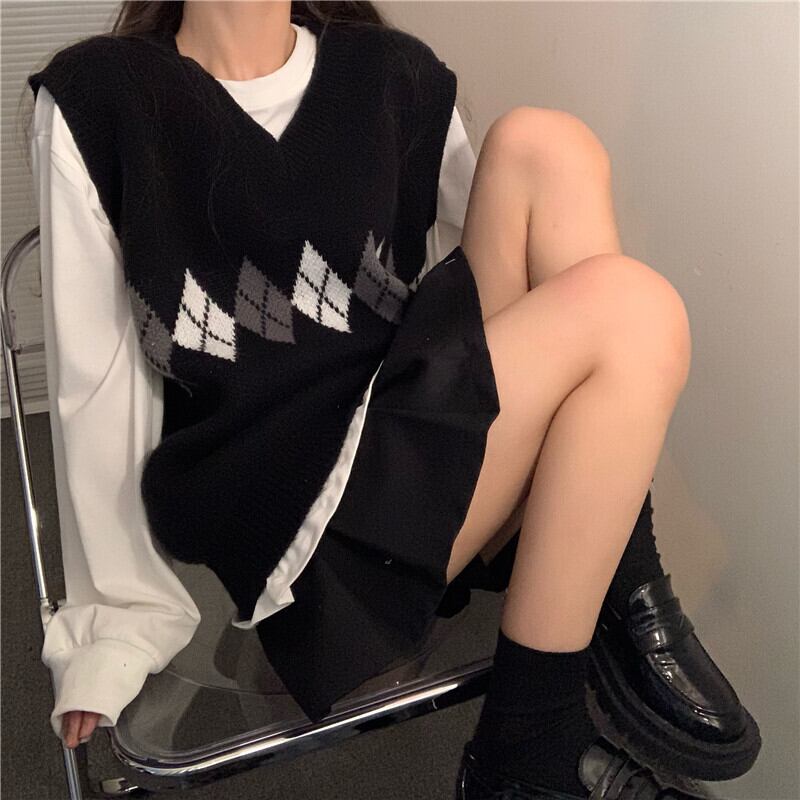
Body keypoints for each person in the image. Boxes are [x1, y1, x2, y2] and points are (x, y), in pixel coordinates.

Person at [25, 2, 759, 797]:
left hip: (401, 434)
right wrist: (112, 627)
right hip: (298, 529)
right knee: (631, 308)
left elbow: (511, 266)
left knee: (546, 145)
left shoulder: (389, 71)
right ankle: (533, 735)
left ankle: (610, 585)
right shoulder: (103, 97)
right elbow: (93, 381)